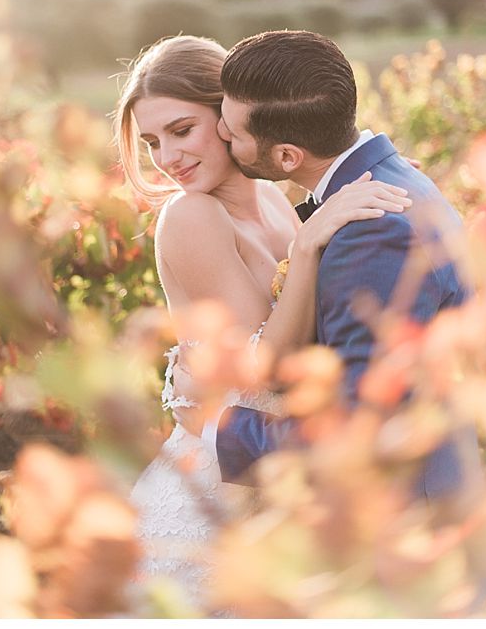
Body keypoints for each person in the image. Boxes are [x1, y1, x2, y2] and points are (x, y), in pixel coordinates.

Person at [115, 35, 409, 610]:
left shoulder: (275, 199)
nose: (167, 158)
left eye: (181, 130)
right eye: (152, 142)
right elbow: (264, 369)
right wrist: (311, 246)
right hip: (209, 502)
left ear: (227, 116)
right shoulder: (190, 217)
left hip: (272, 483)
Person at [202, 29, 479, 506]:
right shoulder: (391, 181)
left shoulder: (372, 230)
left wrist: (214, 428)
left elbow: (359, 426)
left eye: (234, 131)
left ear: (288, 156)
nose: (220, 134)